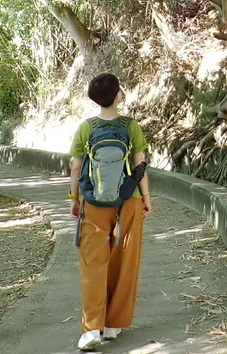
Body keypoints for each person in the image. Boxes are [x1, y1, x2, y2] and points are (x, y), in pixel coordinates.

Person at [68, 73, 152, 351]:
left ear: (94, 98)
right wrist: (146, 198)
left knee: (93, 263)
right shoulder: (131, 126)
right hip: (129, 200)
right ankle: (114, 324)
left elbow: (76, 167)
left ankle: (91, 329)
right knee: (126, 262)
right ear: (118, 95)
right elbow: (140, 165)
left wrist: (75, 198)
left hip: (94, 202)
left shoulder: (86, 127)